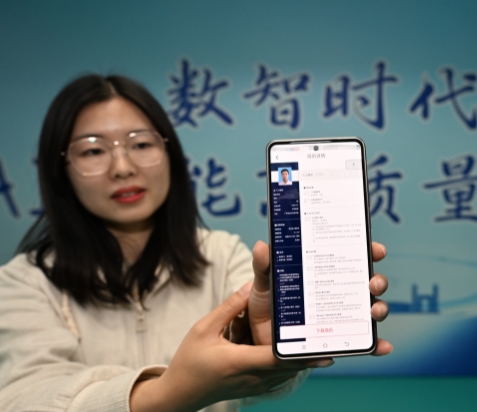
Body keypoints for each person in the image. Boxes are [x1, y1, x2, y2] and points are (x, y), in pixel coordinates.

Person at [0, 74, 392, 412]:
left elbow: (272, 381)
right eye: (93, 150)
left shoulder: (223, 255)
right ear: (60, 169)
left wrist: (262, 340)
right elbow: (23, 397)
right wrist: (172, 391)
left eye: (141, 144)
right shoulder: (22, 283)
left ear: (170, 153)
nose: (122, 167)